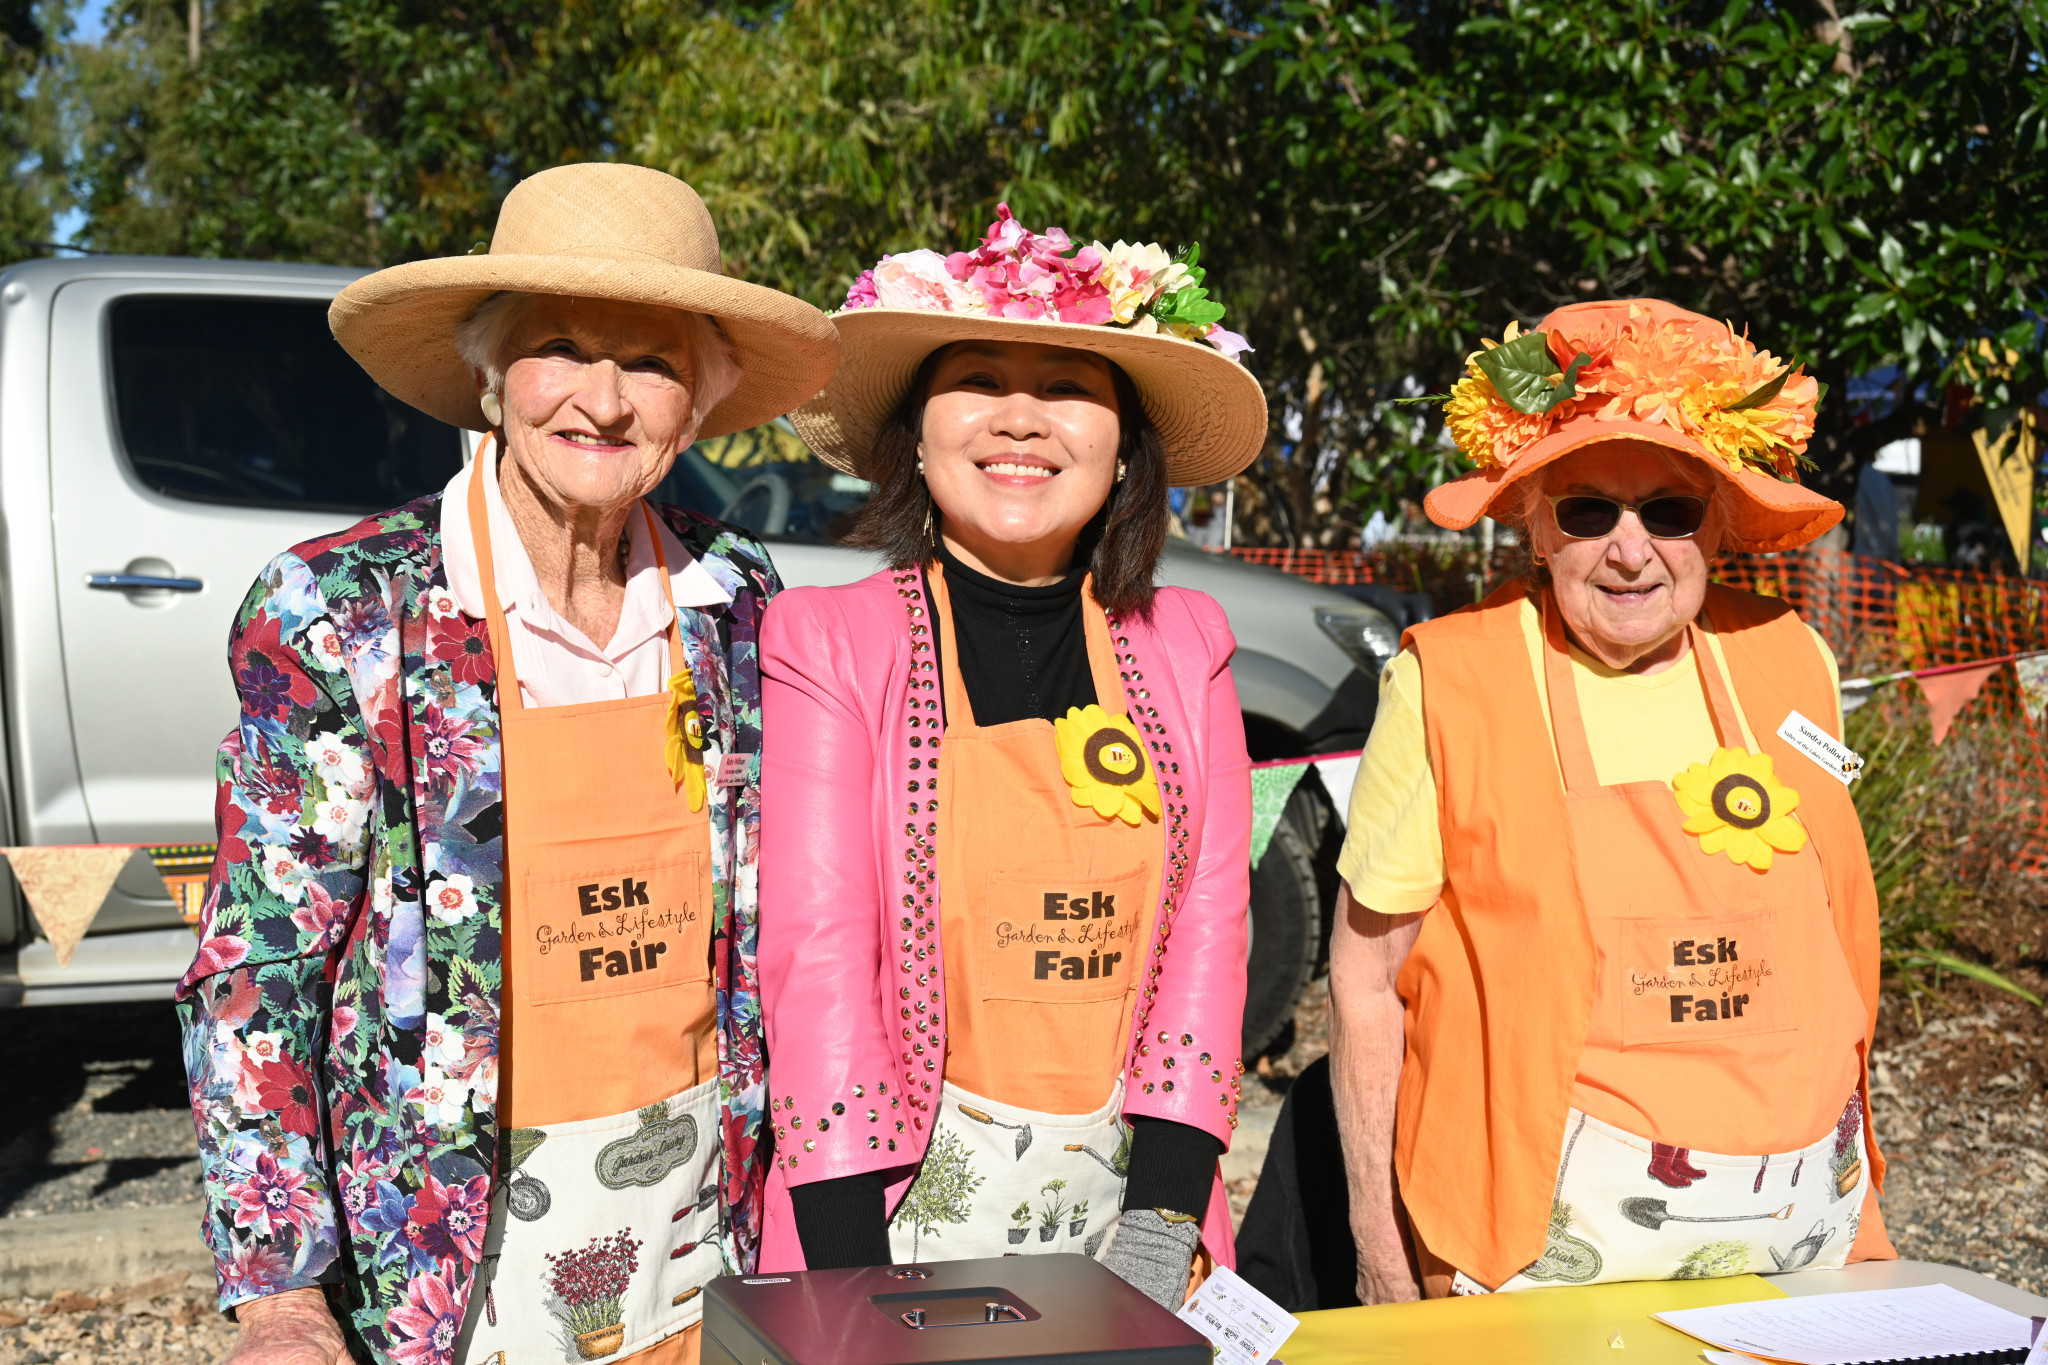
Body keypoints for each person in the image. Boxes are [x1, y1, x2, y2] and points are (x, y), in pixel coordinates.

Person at [174, 163, 837, 1365]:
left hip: (697, 1226)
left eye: (652, 361)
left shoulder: (736, 594)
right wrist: (282, 1301)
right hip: (445, 1261)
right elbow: (257, 976)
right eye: (563, 348)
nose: (603, 398)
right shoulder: (345, 610)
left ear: (699, 400)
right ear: (489, 375)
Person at [1327, 299, 1893, 1302]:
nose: (1630, 550)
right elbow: (1368, 984)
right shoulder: (1447, 681)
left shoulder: (1791, 660)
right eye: (1588, 510)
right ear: (1535, 527)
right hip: (1535, 1246)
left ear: (1716, 522)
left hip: (1798, 1226)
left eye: (1667, 511)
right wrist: (1377, 1245)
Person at [753, 209, 1263, 1305]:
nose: (1022, 419)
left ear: (1125, 440)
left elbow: (1210, 933)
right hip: (883, 1212)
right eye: (977, 378)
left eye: (1070, 385)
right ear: (916, 432)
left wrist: (1162, 1222)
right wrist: (853, 1284)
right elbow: (819, 956)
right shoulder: (828, 641)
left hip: (1135, 1211)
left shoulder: (1188, 646)